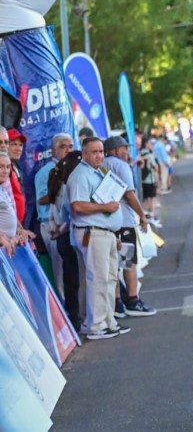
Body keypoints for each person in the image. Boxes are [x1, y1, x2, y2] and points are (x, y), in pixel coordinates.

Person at [67, 137, 129, 340]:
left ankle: (108, 321)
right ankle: (96, 325)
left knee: (110, 279)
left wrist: (114, 231)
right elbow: (77, 205)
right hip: (92, 232)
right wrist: (104, 208)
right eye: (94, 152)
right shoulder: (80, 175)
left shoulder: (97, 172)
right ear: (84, 154)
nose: (99, 156)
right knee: (99, 279)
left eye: (101, 152)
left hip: (105, 233)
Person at [102, 136, 156, 317]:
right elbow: (130, 195)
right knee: (128, 263)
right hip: (124, 222)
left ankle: (117, 303)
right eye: (124, 149)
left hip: (106, 223)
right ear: (116, 150)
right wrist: (142, 215)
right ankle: (133, 300)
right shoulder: (120, 166)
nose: (127, 152)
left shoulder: (99, 164)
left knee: (114, 265)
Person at [47, 151, 83, 329]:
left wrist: (55, 230)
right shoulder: (69, 186)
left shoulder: (57, 185)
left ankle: (74, 316)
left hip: (60, 236)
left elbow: (52, 215)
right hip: (67, 236)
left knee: (69, 279)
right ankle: (76, 318)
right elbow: (71, 216)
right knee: (74, 280)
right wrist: (60, 230)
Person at [35, 133, 74, 296]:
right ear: (53, 150)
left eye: (70, 146)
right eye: (63, 147)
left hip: (72, 223)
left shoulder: (75, 167)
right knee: (59, 269)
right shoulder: (45, 172)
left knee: (74, 268)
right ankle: (64, 307)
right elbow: (40, 200)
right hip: (52, 226)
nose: (67, 150)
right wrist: (58, 191)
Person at [139, 137, 162, 227]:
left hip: (143, 180)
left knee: (146, 199)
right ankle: (150, 217)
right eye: (151, 144)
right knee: (151, 199)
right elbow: (155, 167)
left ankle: (146, 216)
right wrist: (158, 179)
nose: (152, 146)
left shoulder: (141, 153)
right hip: (150, 179)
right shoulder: (150, 155)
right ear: (146, 144)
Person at [7, 128, 27, 223]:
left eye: (20, 145)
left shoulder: (16, 166)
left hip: (17, 225)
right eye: (14, 144)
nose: (18, 148)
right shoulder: (4, 169)